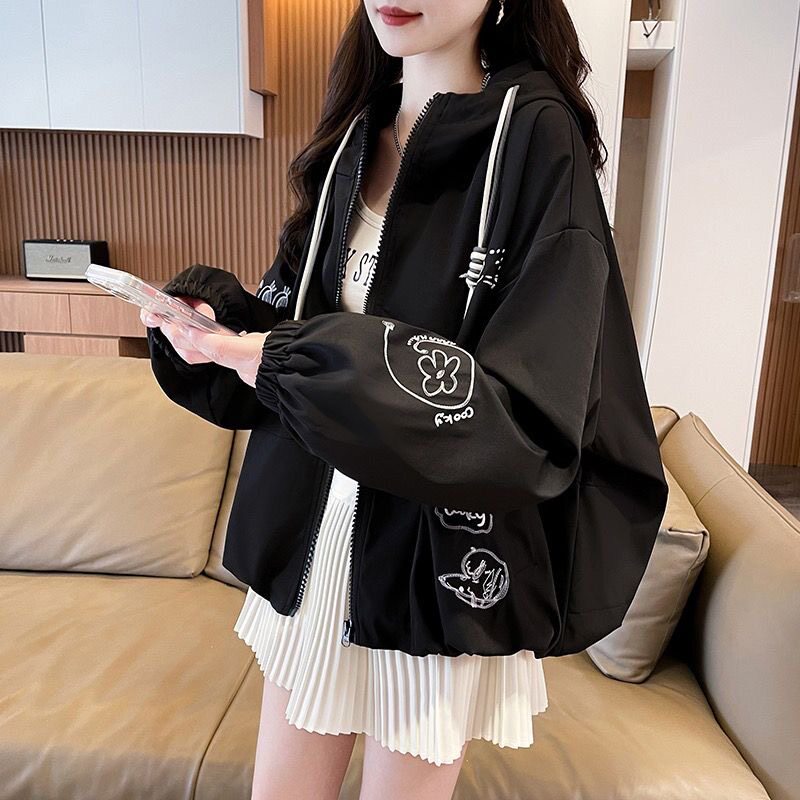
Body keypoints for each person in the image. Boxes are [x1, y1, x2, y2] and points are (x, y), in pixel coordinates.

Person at [141, 0, 668, 798]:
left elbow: (528, 410)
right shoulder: (356, 132)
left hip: (434, 555)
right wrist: (221, 328)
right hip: (314, 535)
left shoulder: (534, 137)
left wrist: (285, 361)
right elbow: (299, 321)